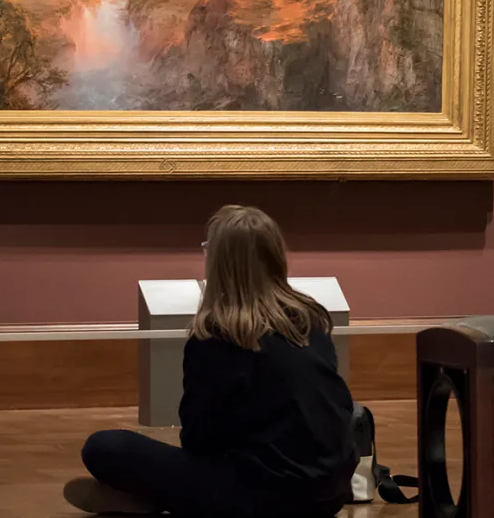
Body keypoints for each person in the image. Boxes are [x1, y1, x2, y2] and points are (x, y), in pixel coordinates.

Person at [64, 204, 357, 517]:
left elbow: (199, 437)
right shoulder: (309, 319)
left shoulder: (218, 334)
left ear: (218, 262)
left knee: (105, 447)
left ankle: (154, 500)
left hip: (265, 495)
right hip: (332, 492)